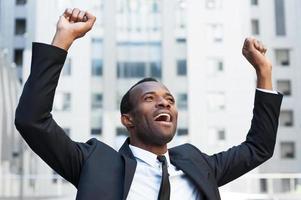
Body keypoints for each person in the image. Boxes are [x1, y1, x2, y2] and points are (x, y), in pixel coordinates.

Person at [15, 8, 283, 200]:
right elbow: (33, 121)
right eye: (149, 99)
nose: (164, 104)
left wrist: (264, 72)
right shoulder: (95, 163)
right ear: (127, 119)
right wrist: (63, 40)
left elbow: (258, 148)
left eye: (169, 100)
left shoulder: (197, 164)